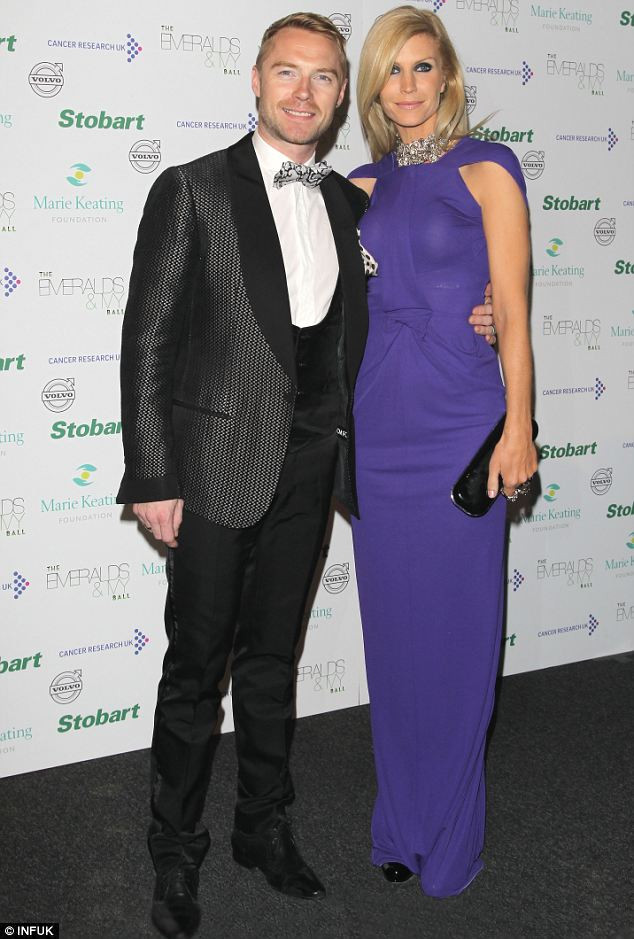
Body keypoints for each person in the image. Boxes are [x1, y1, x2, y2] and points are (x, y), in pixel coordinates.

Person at [117, 12, 497, 937]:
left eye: (324, 77)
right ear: (256, 79)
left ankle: (263, 827)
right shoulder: (192, 189)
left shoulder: (347, 201)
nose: (303, 91)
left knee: (272, 662)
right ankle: (175, 852)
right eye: (287, 72)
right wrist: (153, 474)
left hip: (311, 465)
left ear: (338, 97)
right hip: (211, 470)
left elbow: (407, 290)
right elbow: (148, 341)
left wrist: (484, 307)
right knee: (195, 670)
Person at [347, 6, 538, 898]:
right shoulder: (358, 186)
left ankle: (454, 834)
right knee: (393, 638)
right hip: (378, 427)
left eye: (423, 67)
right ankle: (401, 821)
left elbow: (515, 315)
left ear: (449, 77)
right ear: (373, 88)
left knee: (458, 640)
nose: (408, 85)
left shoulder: (488, 168)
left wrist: (519, 427)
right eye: (392, 70)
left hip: (461, 423)